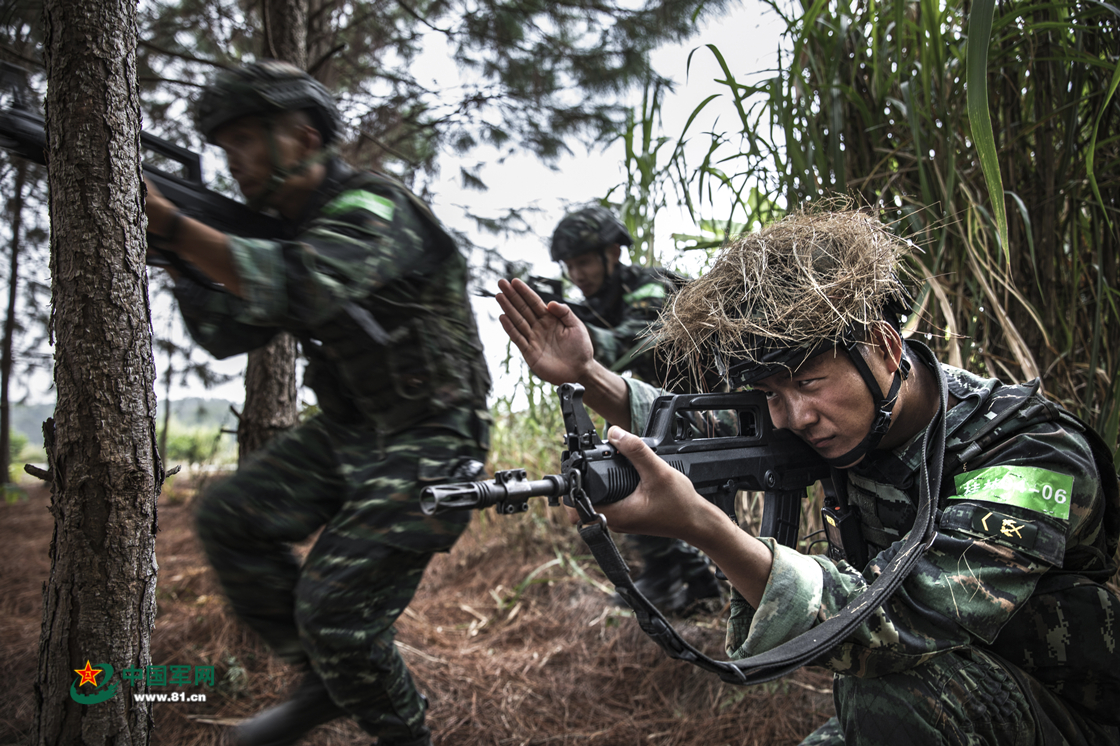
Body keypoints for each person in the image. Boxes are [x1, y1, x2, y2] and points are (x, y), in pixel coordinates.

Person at [496, 207, 1120, 745]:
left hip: (1067, 715)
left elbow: (893, 626)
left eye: (809, 382)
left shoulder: (1027, 450)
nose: (795, 416)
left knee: (891, 698)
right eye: (770, 392)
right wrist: (590, 375)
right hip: (960, 694)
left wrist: (702, 526)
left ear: (884, 346)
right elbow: (700, 438)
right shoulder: (844, 418)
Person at [143, 61, 491, 746]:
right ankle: (326, 681)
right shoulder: (283, 233)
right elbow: (223, 332)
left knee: (335, 607)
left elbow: (301, 286)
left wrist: (181, 229)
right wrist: (178, 254)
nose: (232, 159)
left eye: (244, 138)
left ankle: (403, 734)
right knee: (229, 516)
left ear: (302, 136)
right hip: (353, 432)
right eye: (224, 146)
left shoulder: (371, 206)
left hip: (435, 436)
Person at [546, 206, 723, 614]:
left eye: (585, 262)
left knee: (624, 463)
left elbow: (633, 340)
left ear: (613, 254)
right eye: (569, 266)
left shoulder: (648, 285)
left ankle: (671, 574)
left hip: (707, 407)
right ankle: (690, 579)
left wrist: (572, 337)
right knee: (609, 463)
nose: (577, 275)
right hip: (655, 411)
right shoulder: (597, 303)